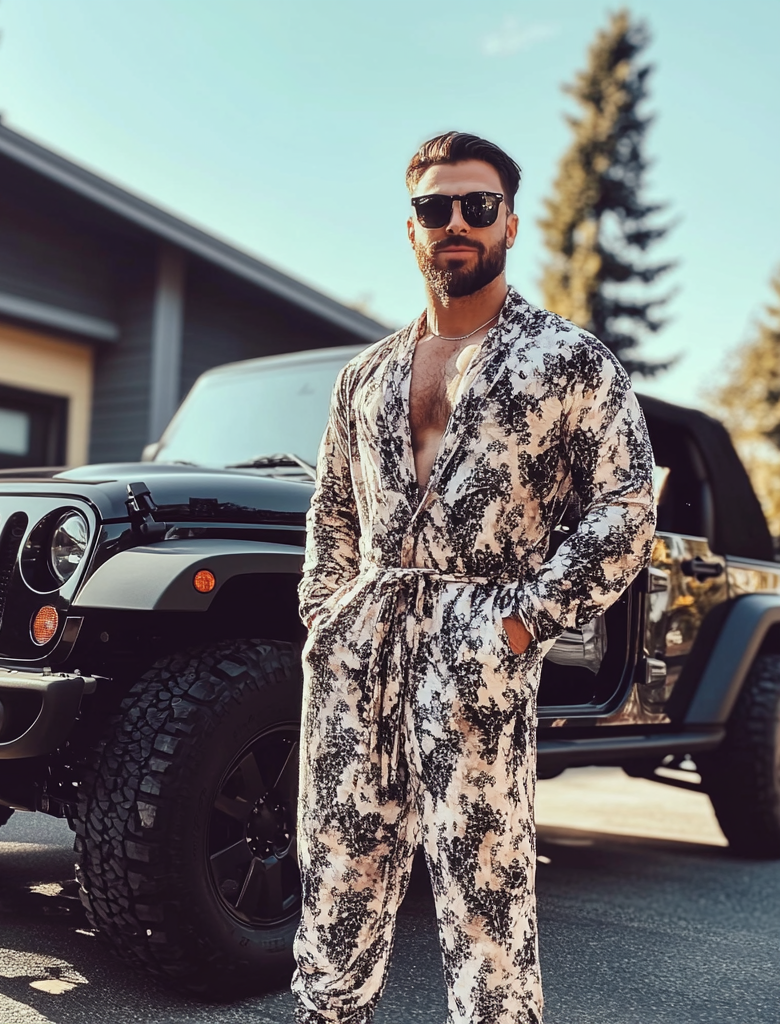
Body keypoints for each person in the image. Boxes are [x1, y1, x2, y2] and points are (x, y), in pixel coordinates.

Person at [292, 131, 657, 1024]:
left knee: (483, 898)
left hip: (481, 640)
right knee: (336, 874)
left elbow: (626, 503)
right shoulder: (364, 376)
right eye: (434, 207)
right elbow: (333, 508)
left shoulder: (564, 361)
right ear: (411, 227)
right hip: (361, 641)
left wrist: (525, 623)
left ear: (509, 222)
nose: (455, 223)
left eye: (476, 205)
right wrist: (326, 616)